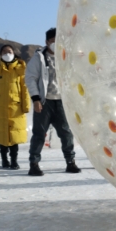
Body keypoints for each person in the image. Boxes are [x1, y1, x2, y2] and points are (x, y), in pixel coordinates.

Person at [27, 27, 80, 176]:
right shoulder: (39, 58)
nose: (55, 43)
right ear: (46, 42)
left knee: (66, 134)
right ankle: (34, 164)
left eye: (58, 40)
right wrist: (36, 99)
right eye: (52, 40)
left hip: (61, 102)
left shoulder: (66, 57)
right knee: (39, 134)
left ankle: (70, 162)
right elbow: (31, 79)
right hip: (45, 102)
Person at [0, 44, 31, 170]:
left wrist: (26, 106)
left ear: (14, 53)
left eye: (9, 51)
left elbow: (24, 89)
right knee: (2, 136)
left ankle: (14, 161)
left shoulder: (20, 69)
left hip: (16, 108)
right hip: (0, 107)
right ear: (0, 54)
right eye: (4, 52)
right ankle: (4, 160)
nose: (7, 54)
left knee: (14, 136)